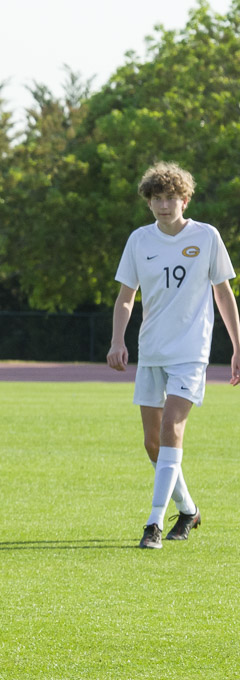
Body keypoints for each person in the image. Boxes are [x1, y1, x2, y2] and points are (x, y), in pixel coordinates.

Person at [107, 161, 240, 549]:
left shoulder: (207, 236)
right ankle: (188, 509)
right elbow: (125, 298)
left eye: (170, 198)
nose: (164, 206)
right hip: (151, 351)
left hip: (190, 352)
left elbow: (223, 293)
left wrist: (237, 344)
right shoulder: (139, 240)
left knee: (171, 430)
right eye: (156, 199)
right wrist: (118, 340)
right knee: (152, 443)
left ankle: (153, 523)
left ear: (185, 199)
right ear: (148, 203)